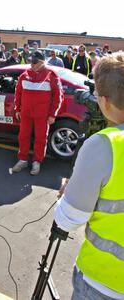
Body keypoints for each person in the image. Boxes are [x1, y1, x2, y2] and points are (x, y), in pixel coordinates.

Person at [54, 53, 124, 300]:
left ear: (103, 101)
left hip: (104, 284)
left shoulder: (105, 145)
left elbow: (67, 221)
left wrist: (66, 193)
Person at [12, 51, 63, 175]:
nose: (31, 65)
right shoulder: (24, 75)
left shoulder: (51, 75)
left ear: (42, 62)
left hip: (42, 115)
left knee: (41, 138)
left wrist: (52, 115)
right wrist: (17, 109)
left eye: (34, 62)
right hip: (26, 113)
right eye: (30, 61)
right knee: (23, 136)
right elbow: (17, 93)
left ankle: (37, 161)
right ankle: (23, 159)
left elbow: (58, 97)